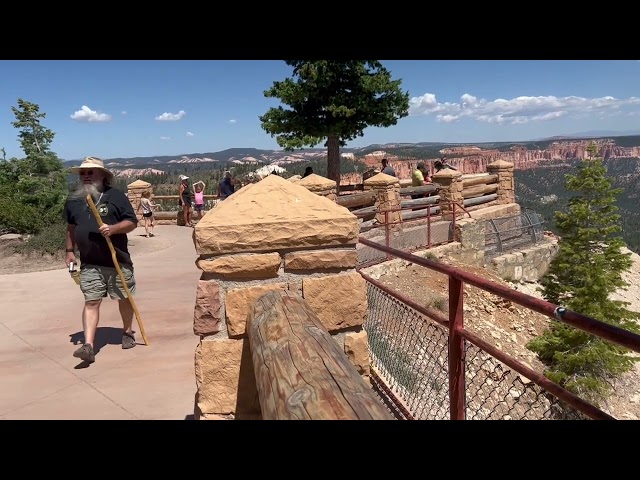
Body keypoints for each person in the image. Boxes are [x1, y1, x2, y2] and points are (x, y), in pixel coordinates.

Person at [64, 156, 139, 364]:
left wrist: (114, 229)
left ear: (102, 176)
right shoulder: (73, 200)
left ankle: (127, 332)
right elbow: (70, 227)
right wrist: (69, 250)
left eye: (90, 172)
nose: (86, 176)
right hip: (90, 263)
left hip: (117, 261)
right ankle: (88, 345)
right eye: (83, 173)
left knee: (124, 298)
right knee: (91, 301)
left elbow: (132, 222)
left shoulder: (115, 196)